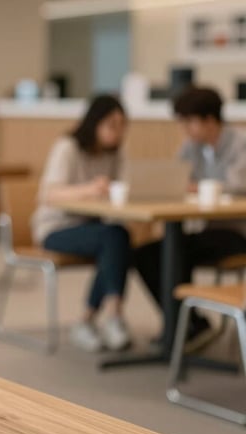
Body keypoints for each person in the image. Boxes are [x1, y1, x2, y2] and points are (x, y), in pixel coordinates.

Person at [134, 86, 246, 350]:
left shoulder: (240, 143)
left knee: (178, 252)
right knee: (145, 254)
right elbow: (177, 178)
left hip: (237, 231)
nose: (185, 129)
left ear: (209, 120)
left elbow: (237, 184)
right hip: (205, 228)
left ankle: (183, 330)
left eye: (189, 122)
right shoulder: (191, 146)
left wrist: (197, 185)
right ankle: (190, 325)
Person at [32, 95, 132, 352]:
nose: (118, 132)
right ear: (94, 123)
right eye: (112, 125)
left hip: (95, 229)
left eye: (122, 126)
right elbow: (48, 195)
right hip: (55, 228)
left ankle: (88, 321)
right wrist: (90, 189)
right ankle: (112, 315)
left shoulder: (114, 154)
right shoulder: (68, 147)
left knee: (116, 238)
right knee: (114, 238)